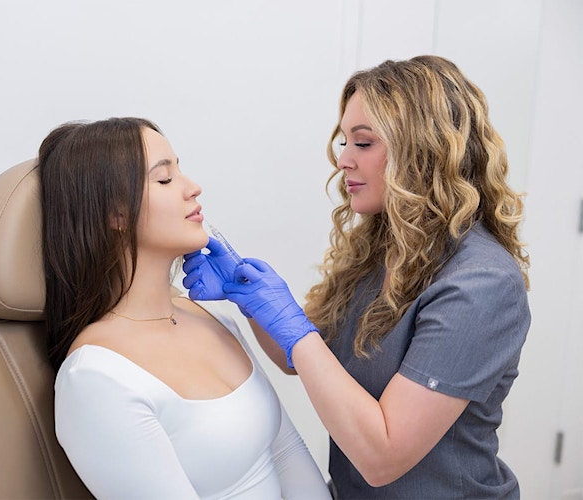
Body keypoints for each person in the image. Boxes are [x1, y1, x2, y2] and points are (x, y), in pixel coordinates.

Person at [183, 55, 531, 498]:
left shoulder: (481, 283)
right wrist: (250, 300)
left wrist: (290, 321)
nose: (343, 160)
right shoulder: (381, 250)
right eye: (345, 141)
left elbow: (382, 456)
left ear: (424, 150)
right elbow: (302, 359)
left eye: (363, 143)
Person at [40, 117, 331, 499]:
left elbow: (287, 453)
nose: (193, 187)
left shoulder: (214, 319)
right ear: (116, 214)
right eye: (164, 179)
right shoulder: (95, 378)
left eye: (179, 170)